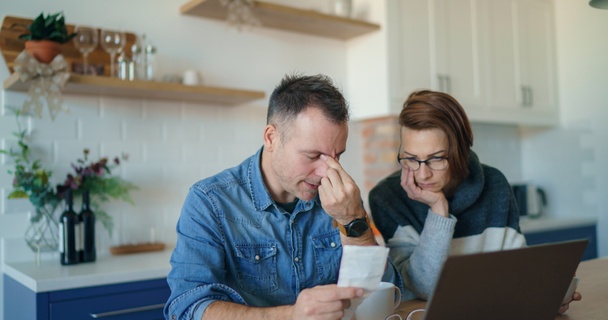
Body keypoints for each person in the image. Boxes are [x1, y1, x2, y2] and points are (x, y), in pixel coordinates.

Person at [164, 73, 402, 320]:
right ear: (271, 138)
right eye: (312, 156)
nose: (327, 172)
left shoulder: (341, 199)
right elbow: (187, 308)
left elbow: (384, 294)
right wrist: (292, 315)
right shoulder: (209, 202)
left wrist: (355, 223)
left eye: (337, 156)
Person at [368, 90, 580, 313]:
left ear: (461, 151)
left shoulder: (495, 184)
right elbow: (424, 287)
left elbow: (518, 269)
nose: (422, 175)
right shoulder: (387, 198)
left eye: (436, 158)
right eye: (411, 159)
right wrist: (439, 210)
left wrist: (544, 296)